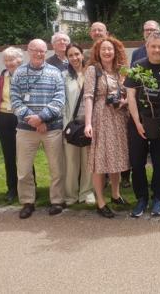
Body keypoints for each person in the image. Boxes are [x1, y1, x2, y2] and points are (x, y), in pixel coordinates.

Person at [11, 39, 66, 219]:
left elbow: (59, 100)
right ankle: (28, 201)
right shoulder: (18, 73)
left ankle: (57, 201)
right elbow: (15, 101)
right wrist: (34, 120)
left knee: (57, 168)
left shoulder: (55, 72)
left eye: (42, 51)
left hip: (52, 129)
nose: (38, 53)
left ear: (46, 51)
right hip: (26, 130)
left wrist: (41, 118)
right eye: (35, 50)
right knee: (24, 169)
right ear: (28, 50)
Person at [125, 31, 160, 217]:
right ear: (146, 47)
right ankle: (141, 199)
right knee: (137, 163)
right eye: (153, 46)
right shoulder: (137, 67)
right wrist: (137, 122)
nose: (156, 50)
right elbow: (130, 96)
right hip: (138, 122)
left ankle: (158, 199)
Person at [83, 37, 130, 218]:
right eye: (104, 49)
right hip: (101, 118)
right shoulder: (93, 70)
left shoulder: (121, 71)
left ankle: (116, 194)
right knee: (100, 161)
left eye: (110, 49)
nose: (107, 52)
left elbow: (127, 93)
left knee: (116, 158)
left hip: (119, 118)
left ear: (116, 51)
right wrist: (88, 123)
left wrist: (124, 101)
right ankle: (101, 202)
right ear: (98, 51)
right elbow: (88, 96)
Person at [0, 46, 28, 203]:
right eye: (6, 60)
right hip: (5, 119)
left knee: (26, 156)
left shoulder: (28, 75)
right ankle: (12, 189)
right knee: (9, 156)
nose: (9, 63)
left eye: (12, 59)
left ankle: (28, 188)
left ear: (20, 60)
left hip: (23, 118)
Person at [62, 43, 95, 206]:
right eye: (71, 55)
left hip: (89, 124)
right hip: (71, 125)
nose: (74, 58)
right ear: (67, 58)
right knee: (71, 162)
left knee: (88, 161)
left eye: (77, 54)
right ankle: (70, 195)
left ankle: (87, 193)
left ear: (82, 55)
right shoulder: (63, 76)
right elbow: (62, 103)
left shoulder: (92, 73)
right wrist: (64, 125)